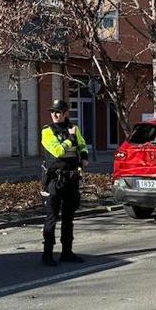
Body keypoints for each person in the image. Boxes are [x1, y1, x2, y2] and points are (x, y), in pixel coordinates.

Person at [40, 99, 89, 266]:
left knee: (69, 218)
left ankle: (67, 252)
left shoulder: (73, 128)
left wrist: (83, 158)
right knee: (52, 217)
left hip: (71, 178)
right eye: (52, 112)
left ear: (65, 113)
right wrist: (70, 139)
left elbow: (82, 145)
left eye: (58, 112)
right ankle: (47, 254)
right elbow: (57, 151)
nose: (54, 114)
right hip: (55, 179)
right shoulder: (47, 131)